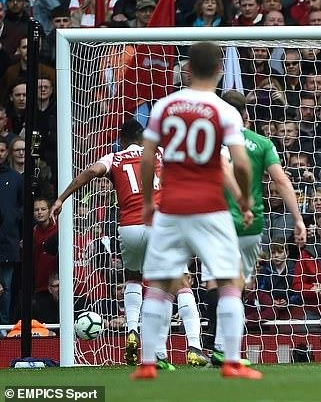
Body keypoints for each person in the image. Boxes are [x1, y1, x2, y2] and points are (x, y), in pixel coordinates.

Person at [132, 42, 259, 380]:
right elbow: (240, 163)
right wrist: (244, 199)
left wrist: (148, 202)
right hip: (211, 207)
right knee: (230, 281)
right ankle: (231, 361)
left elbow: (148, 158)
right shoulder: (225, 111)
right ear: (219, 69)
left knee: (159, 283)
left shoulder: (165, 106)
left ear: (187, 69)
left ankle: (148, 363)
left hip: (171, 206)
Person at [50, 119, 209, 369]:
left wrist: (61, 199)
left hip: (130, 227)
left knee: (133, 277)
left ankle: (133, 331)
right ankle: (194, 348)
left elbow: (91, 172)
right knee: (181, 283)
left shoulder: (114, 157)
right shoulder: (160, 153)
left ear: (122, 140)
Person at [203, 90, 307, 366]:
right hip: (251, 223)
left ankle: (215, 345)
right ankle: (227, 351)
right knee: (236, 286)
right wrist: (298, 218)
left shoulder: (208, 142)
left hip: (215, 221)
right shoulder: (262, 143)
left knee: (214, 283)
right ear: (246, 115)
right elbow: (281, 181)